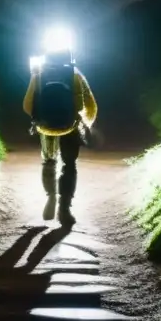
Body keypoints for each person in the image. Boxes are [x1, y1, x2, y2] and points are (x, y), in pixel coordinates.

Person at [23, 44, 97, 227]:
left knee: (49, 162)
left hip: (45, 127)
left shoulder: (38, 75)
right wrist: (86, 123)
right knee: (69, 165)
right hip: (71, 126)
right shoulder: (76, 75)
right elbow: (90, 105)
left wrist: (38, 118)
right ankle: (65, 207)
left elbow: (27, 104)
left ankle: (50, 197)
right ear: (70, 58)